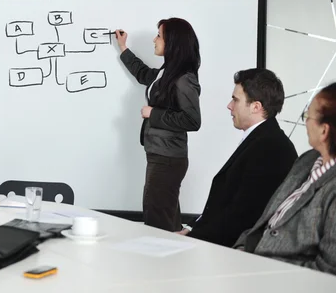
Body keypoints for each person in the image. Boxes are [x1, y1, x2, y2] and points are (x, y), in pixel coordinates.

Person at [177, 68, 297, 247]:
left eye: (235, 99)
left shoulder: (271, 147)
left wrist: (195, 238)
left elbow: (242, 216)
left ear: (256, 107)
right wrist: (193, 228)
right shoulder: (262, 139)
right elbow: (226, 203)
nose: (229, 105)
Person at [234, 83, 336, 274]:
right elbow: (266, 220)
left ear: (324, 131)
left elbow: (328, 270)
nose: (304, 121)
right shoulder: (306, 160)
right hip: (246, 262)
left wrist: (261, 268)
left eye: (307, 116)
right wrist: (240, 250)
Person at [115, 18, 201, 231]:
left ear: (172, 41)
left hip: (168, 159)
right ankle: (174, 259)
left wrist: (153, 113)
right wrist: (124, 48)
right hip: (160, 155)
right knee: (166, 220)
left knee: (157, 222)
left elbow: (192, 120)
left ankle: (162, 262)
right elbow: (144, 74)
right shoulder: (167, 72)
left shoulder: (184, 79)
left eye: (159, 36)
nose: (155, 40)